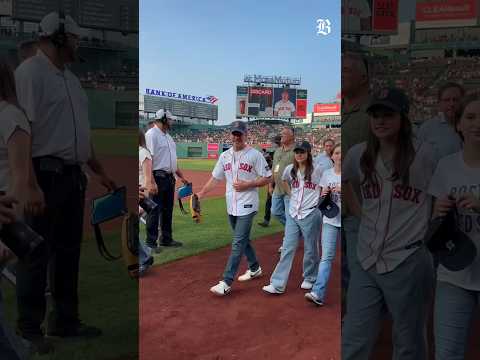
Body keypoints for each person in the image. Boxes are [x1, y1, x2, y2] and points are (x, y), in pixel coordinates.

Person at [14, 12, 116, 344]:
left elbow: (80, 135)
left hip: (73, 177)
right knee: (36, 253)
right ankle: (29, 330)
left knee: (68, 253)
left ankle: (64, 322)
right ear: (58, 37)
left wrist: (100, 171)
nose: (78, 43)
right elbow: (23, 130)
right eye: (74, 38)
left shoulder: (70, 79)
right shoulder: (30, 73)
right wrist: (28, 183)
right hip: (44, 175)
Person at [341, 88, 436, 359]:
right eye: (375, 116)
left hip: (407, 259)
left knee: (409, 341)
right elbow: (346, 180)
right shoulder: (359, 154)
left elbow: (444, 193)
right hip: (366, 258)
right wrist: (360, 212)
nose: (380, 121)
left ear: (403, 118)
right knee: (354, 338)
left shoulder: (426, 155)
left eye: (388, 115)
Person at [427, 95, 480, 360]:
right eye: (470, 117)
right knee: (447, 353)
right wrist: (439, 212)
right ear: (458, 124)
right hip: (454, 273)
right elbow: (435, 219)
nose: (477, 124)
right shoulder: (446, 166)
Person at [197, 121, 271, 296]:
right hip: (231, 205)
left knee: (237, 242)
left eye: (240, 134)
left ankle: (226, 281)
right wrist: (201, 193)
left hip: (248, 204)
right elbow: (215, 178)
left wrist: (249, 183)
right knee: (243, 239)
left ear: (246, 135)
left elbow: (267, 177)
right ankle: (255, 268)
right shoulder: (224, 156)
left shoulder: (255, 155)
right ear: (230, 135)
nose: (237, 137)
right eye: (234, 134)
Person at [262, 141, 322, 294]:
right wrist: (290, 194)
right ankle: (277, 284)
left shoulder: (318, 170)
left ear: (308, 153)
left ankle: (310, 277)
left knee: (310, 248)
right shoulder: (290, 169)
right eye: (297, 152)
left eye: (302, 152)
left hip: (310, 213)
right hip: (293, 213)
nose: (299, 155)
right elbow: (283, 180)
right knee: (287, 248)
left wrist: (318, 203)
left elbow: (325, 187)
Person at [341, 52, 371, 304]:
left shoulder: (374, 112)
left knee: (359, 273)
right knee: (342, 271)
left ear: (364, 77)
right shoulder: (341, 113)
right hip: (335, 209)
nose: (340, 74)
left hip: (362, 209)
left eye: (346, 70)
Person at [145, 109, 189, 250]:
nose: (172, 122)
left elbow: (172, 162)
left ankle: (166, 239)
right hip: (157, 177)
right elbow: (149, 159)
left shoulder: (168, 137)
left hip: (170, 178)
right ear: (164, 119)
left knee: (167, 210)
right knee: (154, 210)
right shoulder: (151, 135)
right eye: (170, 119)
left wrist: (182, 177)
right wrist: (150, 181)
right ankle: (151, 243)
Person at [306, 143, 342, 306]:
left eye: (342, 153)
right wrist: (325, 193)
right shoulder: (327, 174)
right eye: (337, 153)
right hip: (330, 220)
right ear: (332, 156)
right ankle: (318, 292)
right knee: (326, 257)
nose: (339, 156)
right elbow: (322, 197)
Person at [417, 82, 465, 162]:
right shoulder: (426, 129)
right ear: (439, 103)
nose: (452, 104)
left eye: (456, 100)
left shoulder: (473, 127)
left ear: (463, 101)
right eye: (447, 100)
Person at [270, 127, 295, 252]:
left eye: (284, 134)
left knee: (289, 216)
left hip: (290, 190)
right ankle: (294, 231)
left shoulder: (296, 151)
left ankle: (287, 242)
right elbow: (275, 168)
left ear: (292, 136)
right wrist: (271, 184)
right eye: (281, 134)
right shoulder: (278, 151)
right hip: (277, 189)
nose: (282, 136)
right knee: (275, 211)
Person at [138, 130, 156, 275]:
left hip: (140, 197)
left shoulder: (143, 153)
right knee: (130, 230)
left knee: (129, 230)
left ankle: (144, 258)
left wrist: (144, 202)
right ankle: (145, 253)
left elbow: (147, 179)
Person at [258, 148, 273, 227]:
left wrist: (270, 186)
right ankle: (266, 220)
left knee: (274, 205)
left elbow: (269, 173)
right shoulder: (267, 160)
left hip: (277, 183)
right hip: (272, 182)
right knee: (268, 202)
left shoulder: (268, 161)